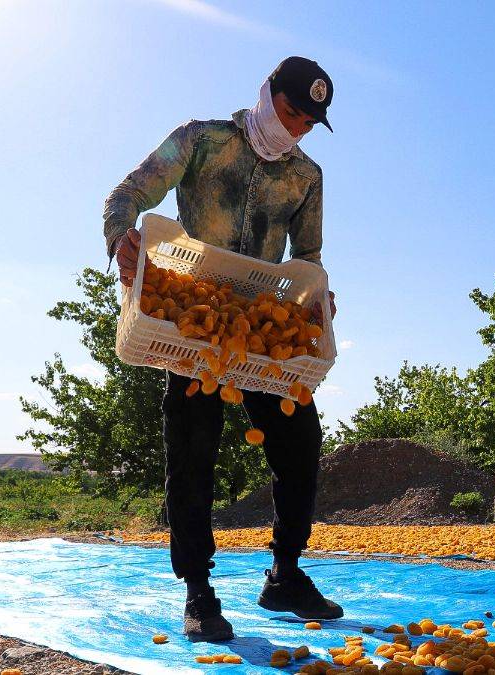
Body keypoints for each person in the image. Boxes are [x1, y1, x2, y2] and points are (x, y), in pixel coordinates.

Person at [103, 56, 342, 643]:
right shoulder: (203, 141)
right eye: (291, 114)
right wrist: (121, 237)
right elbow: (128, 193)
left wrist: (318, 297)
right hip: (193, 326)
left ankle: (285, 573)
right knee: (191, 451)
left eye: (309, 124)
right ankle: (198, 590)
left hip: (261, 327)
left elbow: (307, 259)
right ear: (266, 96)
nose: (296, 130)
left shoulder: (305, 177)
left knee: (301, 444)